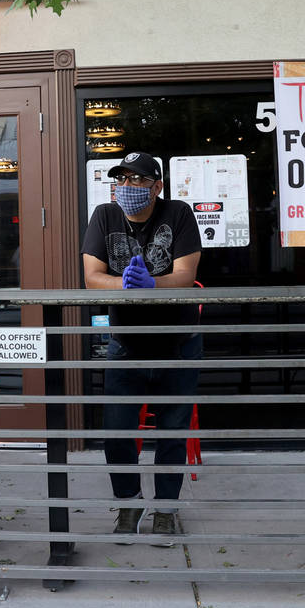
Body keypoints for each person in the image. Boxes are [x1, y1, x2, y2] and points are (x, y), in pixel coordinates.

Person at [81, 151, 201, 546]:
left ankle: (166, 510)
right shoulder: (104, 215)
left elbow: (186, 275)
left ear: (157, 186)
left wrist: (154, 285)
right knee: (117, 430)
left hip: (179, 341)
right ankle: (128, 504)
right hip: (126, 342)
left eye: (138, 180)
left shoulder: (178, 212)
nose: (129, 187)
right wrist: (126, 286)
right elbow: (92, 278)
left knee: (172, 430)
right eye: (122, 179)